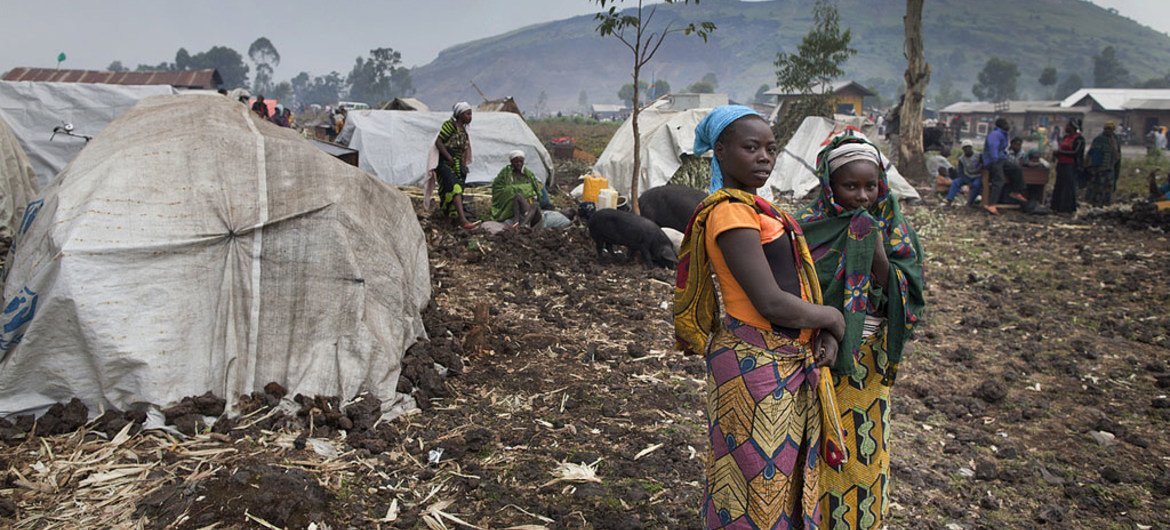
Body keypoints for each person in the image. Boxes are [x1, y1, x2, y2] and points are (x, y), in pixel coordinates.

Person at [674, 105, 848, 529]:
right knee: (754, 486)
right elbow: (769, 301)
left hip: (780, 359)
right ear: (720, 151)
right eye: (750, 148)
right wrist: (833, 318)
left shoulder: (755, 208)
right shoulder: (730, 213)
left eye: (771, 148)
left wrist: (820, 331)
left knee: (775, 482)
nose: (764, 157)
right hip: (756, 366)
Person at [796, 135, 925, 530]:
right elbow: (797, 287)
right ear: (829, 186)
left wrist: (875, 251)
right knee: (811, 443)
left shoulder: (895, 230)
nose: (862, 196)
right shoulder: (809, 230)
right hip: (814, 355)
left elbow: (908, 300)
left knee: (861, 448)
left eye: (871, 186)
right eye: (850, 186)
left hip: (869, 360)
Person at [435, 102, 478, 229]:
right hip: (445, 163)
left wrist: (463, 165)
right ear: (459, 115)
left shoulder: (463, 131)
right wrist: (448, 157)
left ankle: (449, 220)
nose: (470, 117)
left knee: (454, 191)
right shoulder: (449, 126)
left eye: (471, 114)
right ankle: (463, 220)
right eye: (468, 114)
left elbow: (464, 149)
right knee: (454, 189)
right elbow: (438, 141)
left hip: (458, 165)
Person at [490, 150, 543, 227]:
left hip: (527, 205)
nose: (519, 164)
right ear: (511, 162)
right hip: (514, 205)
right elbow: (500, 190)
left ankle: (523, 225)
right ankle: (518, 222)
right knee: (518, 196)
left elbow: (535, 191)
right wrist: (525, 189)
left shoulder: (528, 175)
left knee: (534, 204)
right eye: (516, 162)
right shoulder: (505, 175)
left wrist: (518, 189)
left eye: (521, 162)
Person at [1085, 121, 1122, 207]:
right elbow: (1092, 153)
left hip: (1110, 168)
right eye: (1107, 129)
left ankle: (1105, 203)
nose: (1108, 131)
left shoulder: (1115, 139)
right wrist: (1090, 166)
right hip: (1098, 169)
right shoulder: (1099, 139)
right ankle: (1094, 204)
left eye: (1110, 129)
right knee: (1097, 187)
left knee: (1108, 187)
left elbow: (1117, 154)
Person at [1051, 119, 1084, 213]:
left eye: (1067, 126)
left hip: (1070, 165)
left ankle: (1067, 208)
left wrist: (1060, 152)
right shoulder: (1066, 137)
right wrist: (1056, 154)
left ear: (1073, 127)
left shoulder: (1079, 139)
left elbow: (1075, 153)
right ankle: (1057, 207)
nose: (1066, 127)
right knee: (1059, 185)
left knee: (1068, 186)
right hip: (1061, 164)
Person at [981, 118, 1012, 214]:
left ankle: (1016, 192)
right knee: (999, 180)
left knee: (1015, 168)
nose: (1009, 125)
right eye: (1006, 123)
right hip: (994, 160)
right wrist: (995, 161)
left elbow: (1002, 150)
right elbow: (993, 148)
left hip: (1001, 159)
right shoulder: (996, 134)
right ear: (1001, 125)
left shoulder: (1004, 134)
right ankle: (991, 204)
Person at [945, 140, 983, 207]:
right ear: (963, 149)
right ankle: (949, 201)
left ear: (971, 148)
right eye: (965, 148)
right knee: (955, 182)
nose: (967, 149)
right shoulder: (961, 159)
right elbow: (961, 172)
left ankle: (970, 203)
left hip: (978, 176)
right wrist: (967, 181)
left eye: (969, 147)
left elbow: (984, 165)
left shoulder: (979, 155)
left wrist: (979, 170)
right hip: (968, 176)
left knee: (976, 185)